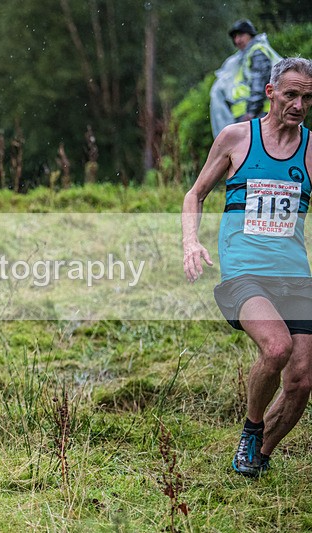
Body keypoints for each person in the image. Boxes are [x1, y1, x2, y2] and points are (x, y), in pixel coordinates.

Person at [183, 57, 312, 477]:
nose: (299, 104)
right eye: (291, 94)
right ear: (271, 92)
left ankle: (258, 457)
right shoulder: (237, 138)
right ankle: (251, 431)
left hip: (295, 274)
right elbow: (195, 194)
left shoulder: (311, 149)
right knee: (277, 348)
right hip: (244, 270)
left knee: (302, 381)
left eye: (307, 97)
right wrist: (190, 241)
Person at [210, 19, 281, 137]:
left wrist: (251, 112)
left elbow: (259, 85)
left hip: (258, 115)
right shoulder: (244, 56)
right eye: (235, 37)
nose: (237, 40)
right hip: (249, 116)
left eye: (241, 35)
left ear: (251, 34)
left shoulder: (257, 52)